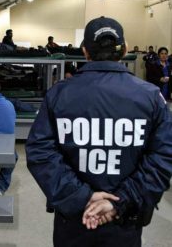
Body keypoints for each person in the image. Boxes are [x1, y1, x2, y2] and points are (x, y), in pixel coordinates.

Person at [26, 16, 172, 247]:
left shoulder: (59, 94)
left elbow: (40, 152)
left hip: (73, 218)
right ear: (124, 50)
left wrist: (83, 197)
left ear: (84, 51)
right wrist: (120, 202)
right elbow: (163, 157)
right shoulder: (151, 96)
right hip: (125, 219)